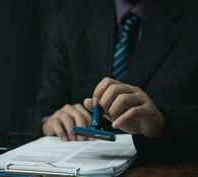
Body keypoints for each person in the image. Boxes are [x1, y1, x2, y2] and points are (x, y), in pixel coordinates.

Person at [26, 0, 198, 161]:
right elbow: (44, 110)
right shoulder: (70, 19)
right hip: (84, 175)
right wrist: (51, 122)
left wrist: (163, 124)